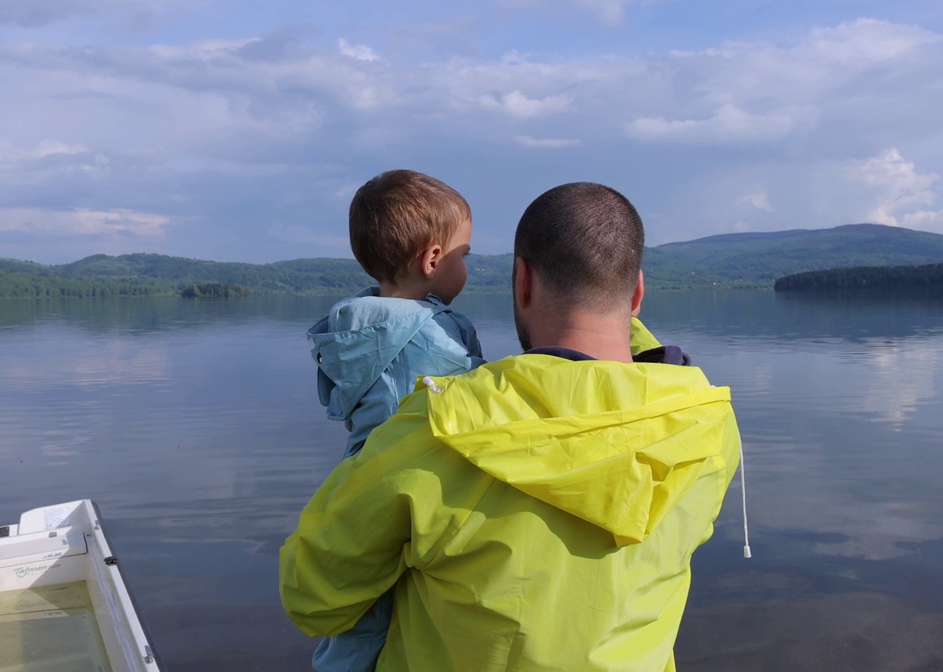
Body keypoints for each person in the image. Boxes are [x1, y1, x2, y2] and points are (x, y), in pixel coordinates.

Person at [281, 182, 741, 671]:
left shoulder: (438, 428)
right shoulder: (706, 425)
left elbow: (312, 597)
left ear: (522, 281)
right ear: (638, 292)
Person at [303, 169, 484, 672]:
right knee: (402, 609)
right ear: (432, 259)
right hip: (416, 491)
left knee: (362, 617)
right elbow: (480, 407)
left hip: (360, 482)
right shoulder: (440, 336)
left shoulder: (354, 330)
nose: (465, 267)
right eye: (462, 255)